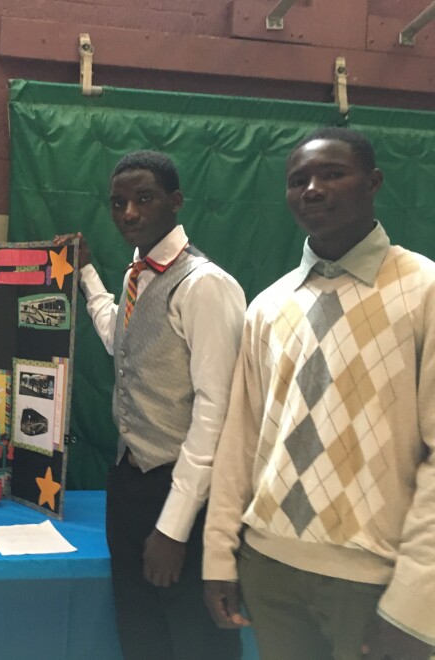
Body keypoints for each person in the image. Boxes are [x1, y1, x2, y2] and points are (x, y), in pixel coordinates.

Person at [203, 127, 435, 660]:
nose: (312, 189)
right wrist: (219, 556)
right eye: (298, 180)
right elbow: (239, 441)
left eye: (332, 173)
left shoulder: (422, 291)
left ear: (372, 182)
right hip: (269, 569)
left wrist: (416, 602)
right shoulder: (268, 306)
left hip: (374, 580)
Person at [57, 150, 245, 659]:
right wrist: (89, 275)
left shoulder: (205, 285)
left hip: (183, 491)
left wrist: (174, 526)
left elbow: (217, 411)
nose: (129, 213)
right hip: (129, 482)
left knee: (194, 641)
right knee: (140, 636)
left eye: (144, 199)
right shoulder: (137, 275)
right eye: (118, 203)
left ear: (175, 202)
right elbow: (123, 338)